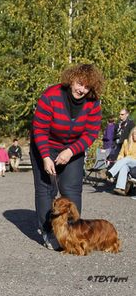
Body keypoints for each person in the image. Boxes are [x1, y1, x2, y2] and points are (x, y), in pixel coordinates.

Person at [30, 63, 103, 250]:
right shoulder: (51, 96)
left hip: (73, 149)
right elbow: (39, 128)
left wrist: (71, 151)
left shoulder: (93, 103)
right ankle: (48, 232)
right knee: (46, 189)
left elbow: (91, 133)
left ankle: (72, 233)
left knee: (71, 190)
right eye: (79, 84)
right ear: (71, 79)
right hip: (45, 145)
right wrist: (45, 156)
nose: (82, 90)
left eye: (87, 87)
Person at [106, 127, 136, 195]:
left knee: (127, 159)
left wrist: (125, 159)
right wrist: (120, 158)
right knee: (124, 167)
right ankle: (120, 188)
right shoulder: (126, 142)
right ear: (132, 134)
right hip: (126, 162)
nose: (135, 136)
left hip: (134, 162)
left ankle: (111, 172)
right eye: (134, 134)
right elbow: (121, 154)